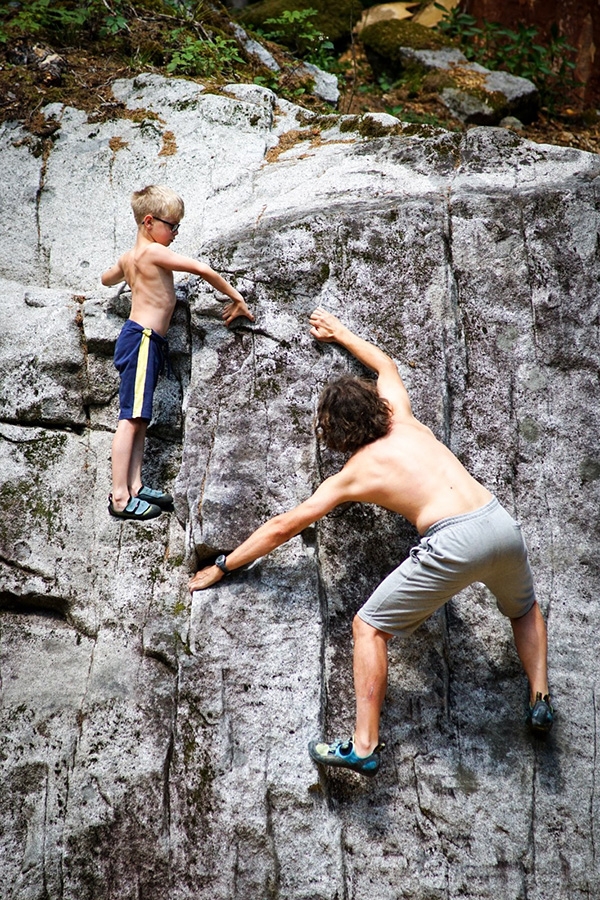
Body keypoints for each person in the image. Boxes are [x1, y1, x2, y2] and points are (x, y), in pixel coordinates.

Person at [188, 307, 553, 777]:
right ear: (375, 406)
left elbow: (287, 523)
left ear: (336, 432)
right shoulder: (403, 417)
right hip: (499, 522)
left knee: (368, 627)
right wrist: (340, 333)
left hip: (452, 539)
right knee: (523, 608)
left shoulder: (355, 473)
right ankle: (539, 695)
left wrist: (225, 563)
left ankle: (363, 746)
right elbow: (385, 366)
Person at [101, 184, 254, 521]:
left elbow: (105, 279)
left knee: (141, 416)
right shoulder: (154, 253)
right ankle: (120, 497)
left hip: (144, 341)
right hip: (142, 339)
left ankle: (137, 486)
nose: (175, 233)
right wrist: (237, 298)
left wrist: (126, 273)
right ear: (149, 222)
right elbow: (203, 270)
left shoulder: (131, 258)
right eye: (172, 226)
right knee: (129, 418)